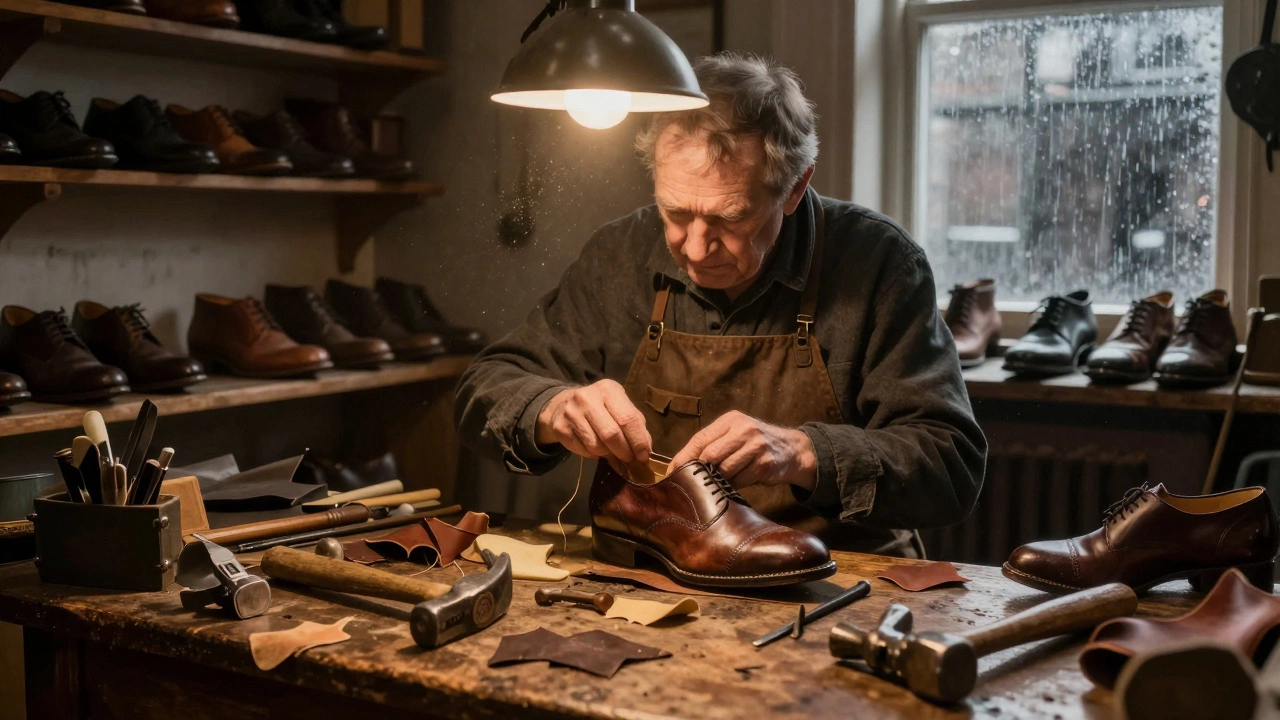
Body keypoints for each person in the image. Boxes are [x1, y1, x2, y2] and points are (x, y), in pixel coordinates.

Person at [456, 52, 986, 557]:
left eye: (729, 219)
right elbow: (487, 386)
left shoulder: (879, 263)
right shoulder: (618, 255)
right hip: (658, 569)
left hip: (835, 579)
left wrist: (803, 453)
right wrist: (552, 408)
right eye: (676, 212)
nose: (694, 247)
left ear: (795, 187)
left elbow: (950, 463)